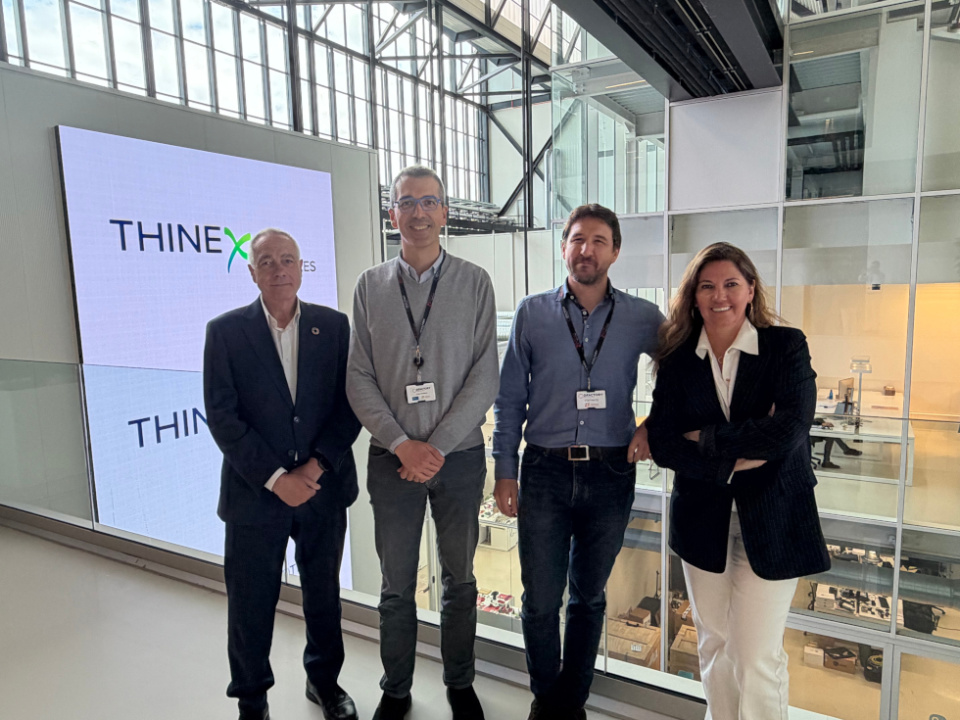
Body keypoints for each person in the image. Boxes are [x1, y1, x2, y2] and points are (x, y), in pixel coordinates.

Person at [646, 242, 830, 720]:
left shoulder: (785, 347)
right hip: (702, 521)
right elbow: (664, 443)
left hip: (774, 517)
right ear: (693, 296)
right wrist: (729, 460)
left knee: (755, 655)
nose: (719, 295)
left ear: (751, 290)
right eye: (706, 286)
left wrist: (703, 438)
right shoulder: (678, 359)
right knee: (714, 644)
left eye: (731, 284)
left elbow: (788, 430)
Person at [492, 204, 663, 720]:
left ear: (615, 251)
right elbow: (508, 398)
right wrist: (504, 468)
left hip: (611, 472)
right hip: (543, 470)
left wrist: (655, 423)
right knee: (540, 600)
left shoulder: (641, 317)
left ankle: (573, 703)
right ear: (563, 246)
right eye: (576, 239)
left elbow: (684, 368)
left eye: (598, 240)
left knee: (588, 598)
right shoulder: (532, 312)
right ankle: (550, 701)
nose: (586, 249)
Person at [346, 165, 499, 720]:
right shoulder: (369, 286)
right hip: (392, 461)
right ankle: (396, 688)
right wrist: (402, 444)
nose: (417, 212)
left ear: (445, 213)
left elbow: (486, 376)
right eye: (406, 202)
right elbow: (357, 377)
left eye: (428, 202)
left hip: (457, 459)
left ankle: (460, 682)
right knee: (395, 584)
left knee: (460, 578)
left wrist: (434, 445)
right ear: (393, 214)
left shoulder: (475, 281)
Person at [203, 229, 362, 720]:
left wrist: (313, 469)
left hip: (322, 489)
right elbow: (223, 417)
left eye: (287, 259)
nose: (278, 270)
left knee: (323, 595)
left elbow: (350, 406)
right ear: (252, 272)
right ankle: (252, 699)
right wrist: (277, 478)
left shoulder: (333, 328)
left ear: (301, 267)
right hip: (255, 495)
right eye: (266, 261)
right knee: (250, 604)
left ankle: (324, 684)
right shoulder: (225, 332)